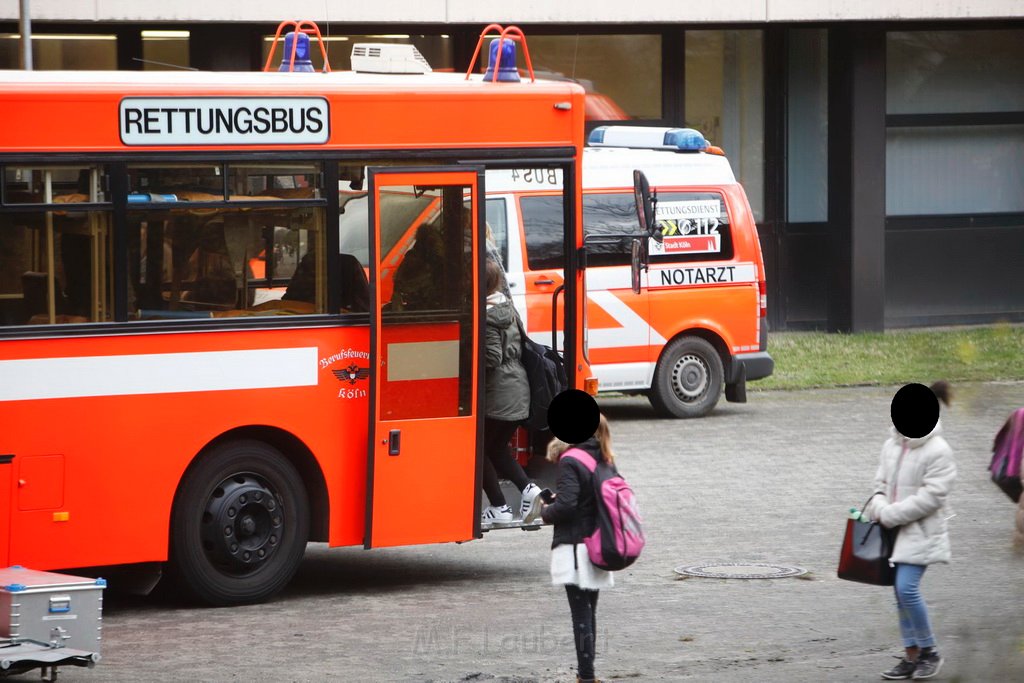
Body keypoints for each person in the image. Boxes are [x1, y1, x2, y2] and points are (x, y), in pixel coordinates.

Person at [865, 382, 956, 681]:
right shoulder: (891, 444)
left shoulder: (938, 451)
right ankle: (912, 654)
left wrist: (891, 514)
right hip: (892, 532)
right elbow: (879, 483)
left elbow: (932, 497)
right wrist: (879, 507)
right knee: (899, 593)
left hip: (921, 532)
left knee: (906, 588)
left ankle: (929, 651)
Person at [541, 414, 616, 683]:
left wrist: (546, 510)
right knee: (590, 610)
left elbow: (567, 507)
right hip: (599, 543)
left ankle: (586, 676)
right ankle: (588, 674)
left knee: (580, 612)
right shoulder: (603, 457)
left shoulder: (571, 459)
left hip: (575, 547)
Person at [480, 257, 543, 527]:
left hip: (501, 393)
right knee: (497, 448)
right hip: (519, 388)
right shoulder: (506, 307)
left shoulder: (487, 316)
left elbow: (492, 357)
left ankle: (499, 507)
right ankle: (529, 490)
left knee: (479, 450)